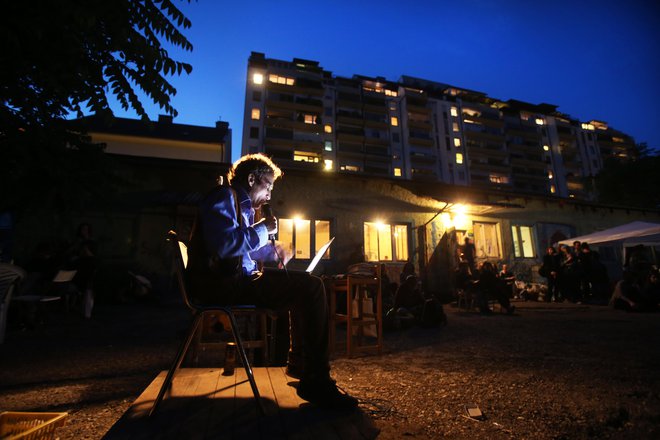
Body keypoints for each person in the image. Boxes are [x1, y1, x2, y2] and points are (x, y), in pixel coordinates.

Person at [186, 153, 357, 409]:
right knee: (311, 288)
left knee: (301, 284)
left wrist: (272, 251)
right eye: (268, 186)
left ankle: (301, 366)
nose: (269, 194)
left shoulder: (241, 208)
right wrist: (264, 229)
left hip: (234, 282)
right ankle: (316, 380)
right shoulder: (222, 197)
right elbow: (224, 245)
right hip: (220, 286)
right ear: (252, 179)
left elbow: (239, 248)